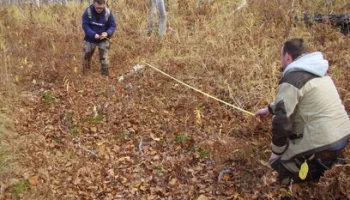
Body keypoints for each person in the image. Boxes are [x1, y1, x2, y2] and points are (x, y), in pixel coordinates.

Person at [255, 38, 350, 185]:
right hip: (343, 135)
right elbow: (299, 99)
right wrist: (268, 109)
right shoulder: (319, 72)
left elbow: (282, 120)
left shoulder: (291, 78)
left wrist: (276, 153)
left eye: (281, 56)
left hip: (324, 141)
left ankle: (312, 171)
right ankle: (326, 162)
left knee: (277, 167)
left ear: (287, 56)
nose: (281, 61)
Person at [82, 0, 116, 76]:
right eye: (97, 8)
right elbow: (85, 26)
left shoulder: (108, 12)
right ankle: (85, 76)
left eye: (101, 8)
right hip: (90, 38)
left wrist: (107, 33)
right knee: (86, 57)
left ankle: (104, 77)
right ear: (94, 4)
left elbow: (112, 25)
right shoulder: (88, 11)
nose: (99, 10)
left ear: (104, 5)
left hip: (103, 39)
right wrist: (93, 34)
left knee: (104, 59)